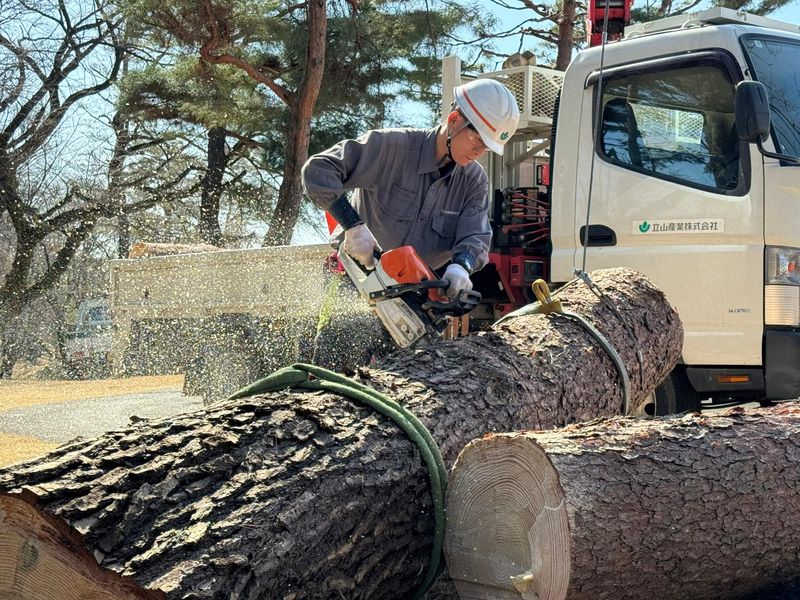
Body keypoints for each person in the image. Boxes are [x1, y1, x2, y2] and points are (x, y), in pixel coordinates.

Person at [301, 78, 520, 372]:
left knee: (408, 380)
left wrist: (461, 266)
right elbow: (317, 170)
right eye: (478, 140)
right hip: (357, 279)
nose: (479, 152)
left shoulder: (473, 181)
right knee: (332, 366)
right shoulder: (391, 147)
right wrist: (353, 225)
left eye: (487, 147)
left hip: (413, 298)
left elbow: (475, 237)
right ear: (454, 120)